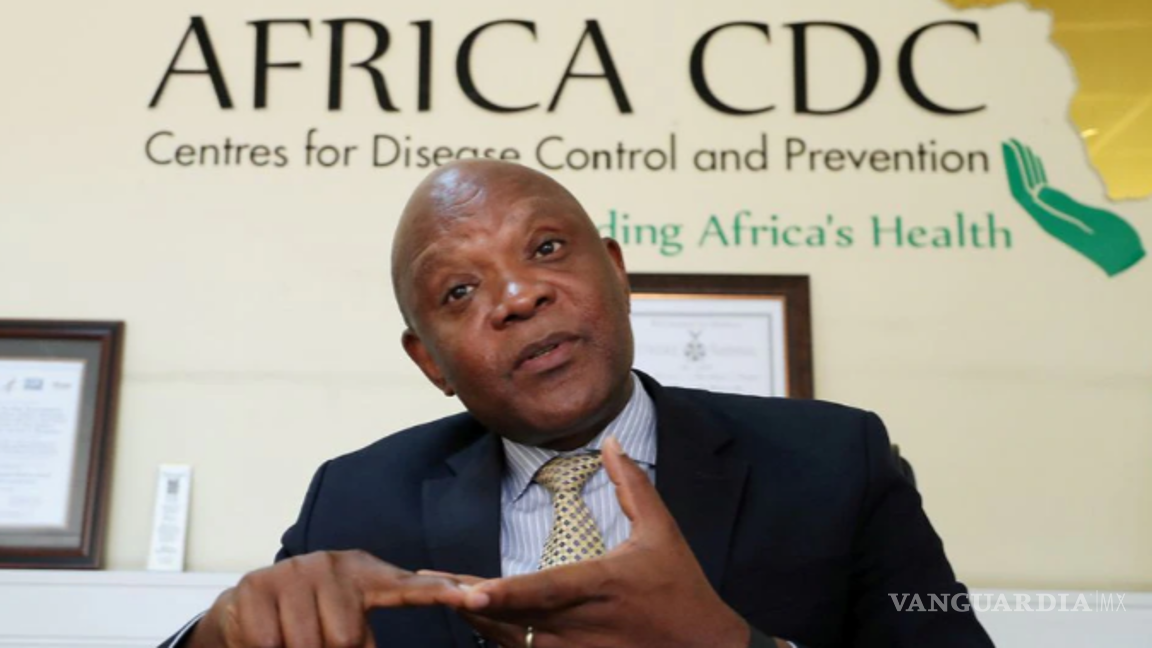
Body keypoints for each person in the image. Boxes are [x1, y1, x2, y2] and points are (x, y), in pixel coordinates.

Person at [162, 160, 994, 648]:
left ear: (618, 273)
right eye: (459, 291)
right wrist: (215, 635)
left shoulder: (834, 462)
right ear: (430, 362)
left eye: (548, 247)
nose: (518, 297)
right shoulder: (354, 501)